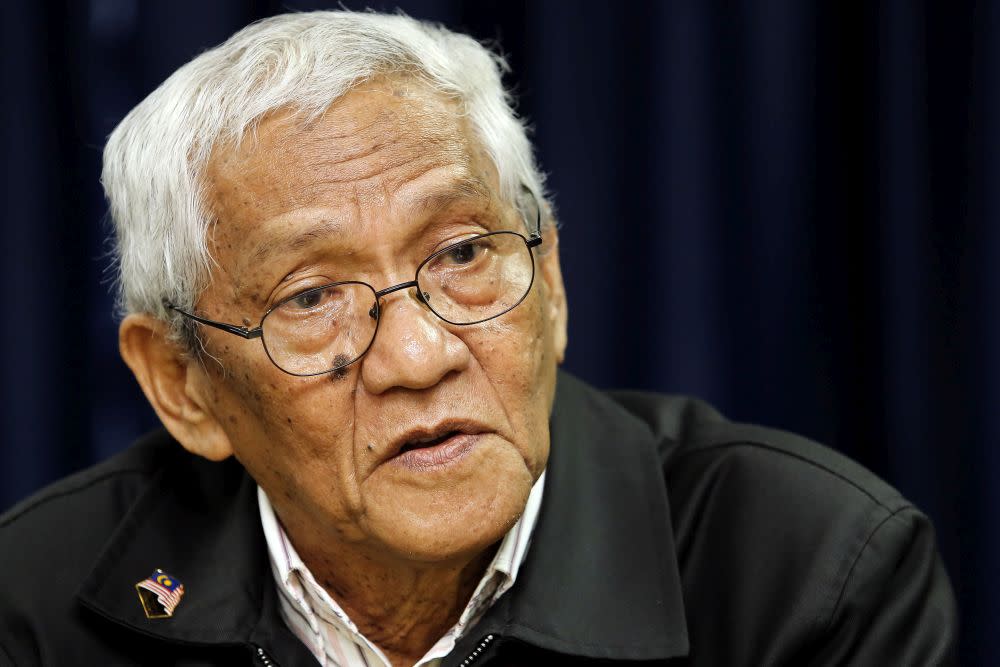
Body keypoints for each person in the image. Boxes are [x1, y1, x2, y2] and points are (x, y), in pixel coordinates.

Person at [0, 10, 956, 667]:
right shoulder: (37, 603)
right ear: (183, 385)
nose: (420, 357)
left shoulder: (812, 575)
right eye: (312, 296)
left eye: (463, 251)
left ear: (553, 283)